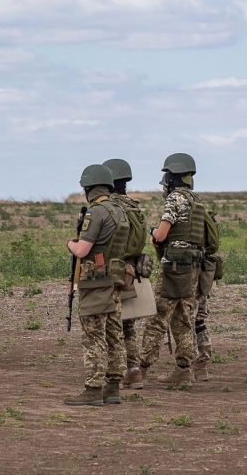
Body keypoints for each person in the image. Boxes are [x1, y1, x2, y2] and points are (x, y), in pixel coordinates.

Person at [64, 165, 128, 406]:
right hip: (116, 279)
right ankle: (113, 387)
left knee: (93, 335)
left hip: (96, 280)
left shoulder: (96, 213)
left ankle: (93, 388)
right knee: (114, 333)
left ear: (89, 187)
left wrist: (69, 243)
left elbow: (82, 250)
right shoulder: (120, 211)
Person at [139, 153, 204, 387]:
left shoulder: (175, 199)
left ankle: (140, 370)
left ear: (173, 177)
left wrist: (154, 232)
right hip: (193, 267)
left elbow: (162, 234)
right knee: (183, 318)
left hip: (174, 266)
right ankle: (184, 370)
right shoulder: (197, 200)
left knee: (158, 317)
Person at [102, 158, 149, 389]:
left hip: (113, 270)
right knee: (127, 324)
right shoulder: (133, 206)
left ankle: (115, 373)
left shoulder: (110, 208)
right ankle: (134, 372)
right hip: (131, 270)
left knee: (111, 324)